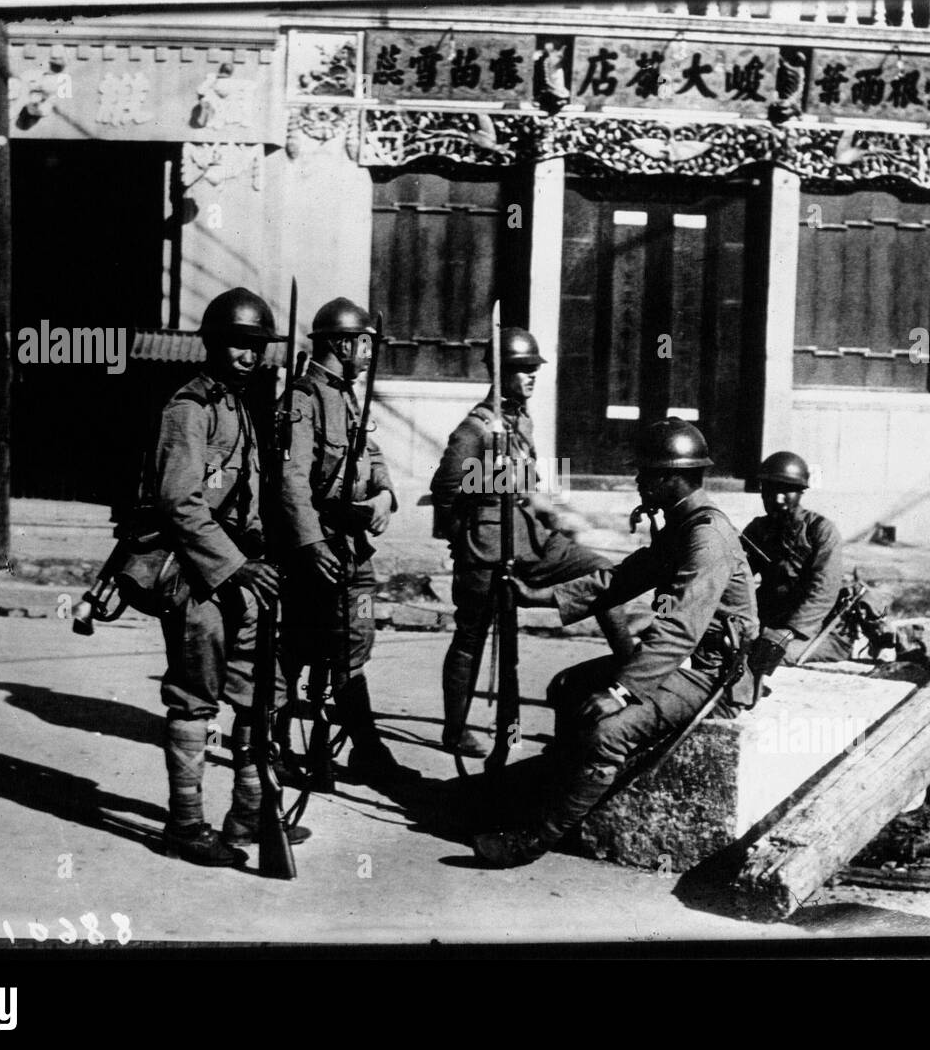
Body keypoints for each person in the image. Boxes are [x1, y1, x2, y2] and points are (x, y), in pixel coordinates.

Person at [472, 418, 758, 867]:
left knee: (608, 732)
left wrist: (621, 691)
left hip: (711, 677)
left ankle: (534, 838)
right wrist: (539, 598)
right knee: (567, 686)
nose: (637, 481)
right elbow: (620, 580)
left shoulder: (706, 537)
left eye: (646, 473)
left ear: (671, 477)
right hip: (682, 665)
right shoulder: (684, 524)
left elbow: (681, 627)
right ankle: (564, 798)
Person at [150, 287, 307, 866]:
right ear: (214, 344)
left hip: (244, 574)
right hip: (198, 577)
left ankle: (249, 816)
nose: (249, 356)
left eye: (257, 347)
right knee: (195, 698)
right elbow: (179, 504)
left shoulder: (240, 403)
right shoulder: (189, 408)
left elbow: (252, 499)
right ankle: (185, 825)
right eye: (239, 345)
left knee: (258, 693)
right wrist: (237, 565)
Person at [429, 327, 634, 757]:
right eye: (521, 370)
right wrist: (462, 543)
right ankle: (454, 728)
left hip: (533, 541)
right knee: (472, 636)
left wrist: (555, 512)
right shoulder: (475, 428)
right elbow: (445, 490)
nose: (531, 377)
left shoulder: (522, 421)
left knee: (605, 574)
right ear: (499, 372)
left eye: (533, 370)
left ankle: (634, 675)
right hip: (487, 546)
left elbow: (532, 484)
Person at [272, 296, 412, 784]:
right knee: (298, 648)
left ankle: (361, 747)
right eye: (363, 343)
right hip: (316, 546)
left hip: (353, 546)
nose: (370, 352)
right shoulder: (302, 399)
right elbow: (290, 481)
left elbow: (370, 454)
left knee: (355, 637)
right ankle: (280, 744)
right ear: (338, 343)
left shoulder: (351, 395)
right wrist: (310, 545)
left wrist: (384, 497)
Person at [741, 451, 854, 674]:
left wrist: (790, 631)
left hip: (818, 629)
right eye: (770, 490)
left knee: (761, 657)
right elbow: (736, 576)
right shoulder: (758, 530)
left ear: (801, 492)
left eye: (786, 491)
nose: (777, 499)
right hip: (771, 622)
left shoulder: (821, 531)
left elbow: (823, 592)